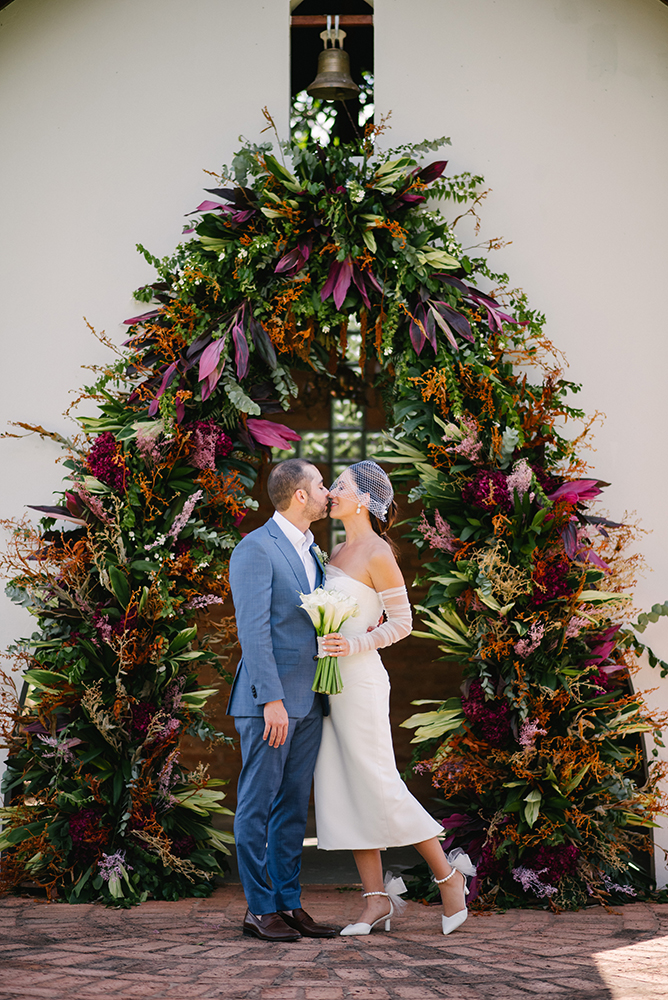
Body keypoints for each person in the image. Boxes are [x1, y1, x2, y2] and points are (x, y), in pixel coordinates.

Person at [314, 460, 476, 936]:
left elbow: (403, 623)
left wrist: (355, 643)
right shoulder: (337, 550)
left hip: (361, 681)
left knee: (380, 783)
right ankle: (375, 901)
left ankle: (448, 878)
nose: (331, 493)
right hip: (330, 684)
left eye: (338, 486)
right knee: (345, 785)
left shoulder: (376, 551)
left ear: (363, 500)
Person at [228, 458, 338, 942]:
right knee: (257, 804)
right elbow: (252, 631)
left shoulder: (314, 549)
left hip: (310, 700)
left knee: (293, 808)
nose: (327, 491)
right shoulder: (255, 549)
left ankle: (289, 902)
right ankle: (258, 908)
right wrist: (270, 699)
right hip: (269, 703)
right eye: (320, 484)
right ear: (299, 495)